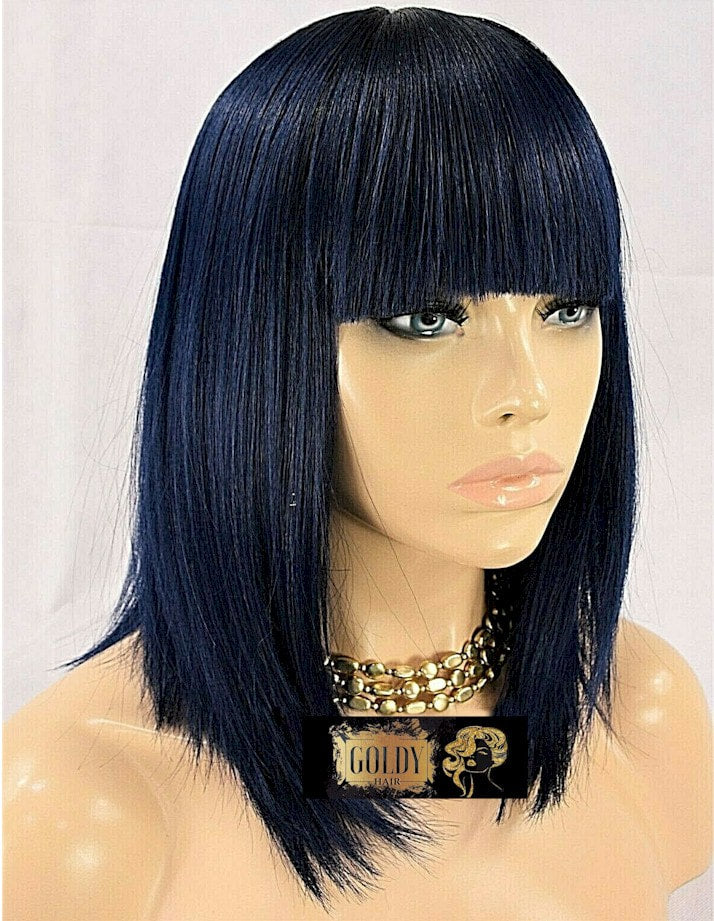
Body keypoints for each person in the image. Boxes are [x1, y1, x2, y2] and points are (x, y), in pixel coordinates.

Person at [4, 7, 711, 920]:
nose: (526, 391)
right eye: (428, 318)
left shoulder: (641, 714)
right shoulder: (80, 807)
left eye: (565, 308)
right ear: (259, 344)